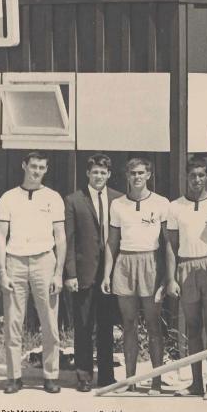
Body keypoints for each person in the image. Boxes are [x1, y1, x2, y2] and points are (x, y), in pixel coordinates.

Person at [0, 152, 66, 394]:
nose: (36, 171)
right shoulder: (8, 198)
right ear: (24, 165)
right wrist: (1, 271)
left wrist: (58, 273)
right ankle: (14, 377)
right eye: (33, 166)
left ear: (46, 170)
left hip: (44, 261)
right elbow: (0, 237)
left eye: (41, 168)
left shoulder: (53, 198)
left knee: (49, 322)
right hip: (15, 261)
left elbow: (61, 237)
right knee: (14, 322)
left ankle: (50, 375)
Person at [165, 157, 207, 400]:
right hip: (186, 267)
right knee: (192, 327)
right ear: (186, 176)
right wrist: (171, 279)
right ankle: (195, 383)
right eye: (192, 175)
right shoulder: (175, 207)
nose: (196, 180)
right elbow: (171, 246)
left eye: (201, 175)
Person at [101, 157, 170, 395]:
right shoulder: (118, 205)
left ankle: (156, 381)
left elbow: (167, 243)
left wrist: (166, 277)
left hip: (151, 263)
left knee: (152, 325)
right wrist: (107, 274)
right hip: (125, 263)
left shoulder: (161, 203)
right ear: (127, 176)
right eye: (133, 174)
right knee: (128, 324)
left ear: (148, 175)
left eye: (141, 173)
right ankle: (129, 381)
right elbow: (111, 242)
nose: (137, 177)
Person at [64, 153, 122, 392]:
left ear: (109, 174)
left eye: (103, 172)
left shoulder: (119, 200)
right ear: (88, 174)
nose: (99, 176)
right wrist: (70, 274)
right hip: (84, 273)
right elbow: (68, 240)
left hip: (110, 273)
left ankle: (107, 376)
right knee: (84, 325)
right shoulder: (74, 200)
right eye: (95, 172)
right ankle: (84, 376)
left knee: (107, 326)